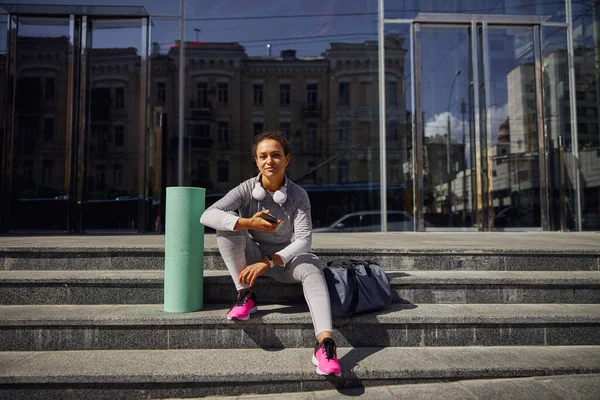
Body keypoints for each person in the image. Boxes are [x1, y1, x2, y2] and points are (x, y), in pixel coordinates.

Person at [200, 131, 341, 377]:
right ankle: (245, 295)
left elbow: (304, 240)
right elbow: (207, 215)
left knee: (311, 266)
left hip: (286, 261)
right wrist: (247, 223)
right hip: (253, 257)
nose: (269, 161)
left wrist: (271, 261)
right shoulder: (246, 189)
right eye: (263, 156)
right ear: (256, 161)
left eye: (276, 155)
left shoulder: (298, 195)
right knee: (227, 228)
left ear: (287, 160)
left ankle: (325, 344)